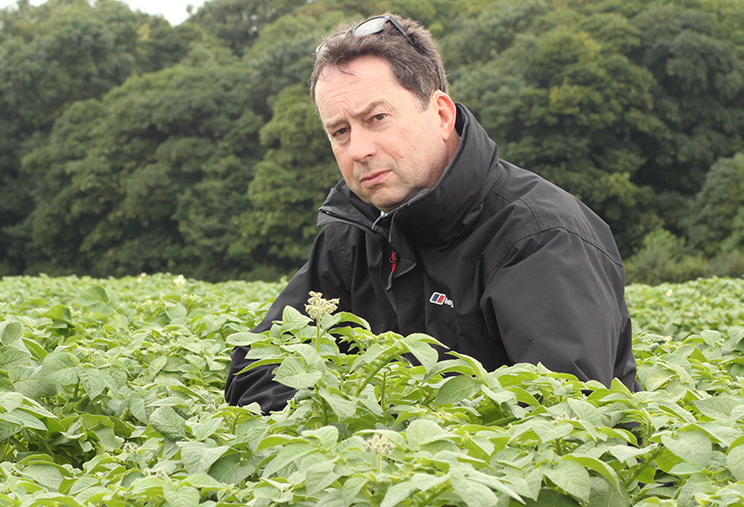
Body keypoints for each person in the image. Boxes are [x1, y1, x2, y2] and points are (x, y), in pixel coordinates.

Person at [225, 13, 641, 413]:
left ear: (441, 114)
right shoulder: (353, 233)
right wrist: (354, 445)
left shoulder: (539, 236)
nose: (359, 150)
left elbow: (569, 423)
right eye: (340, 131)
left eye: (378, 118)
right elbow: (256, 371)